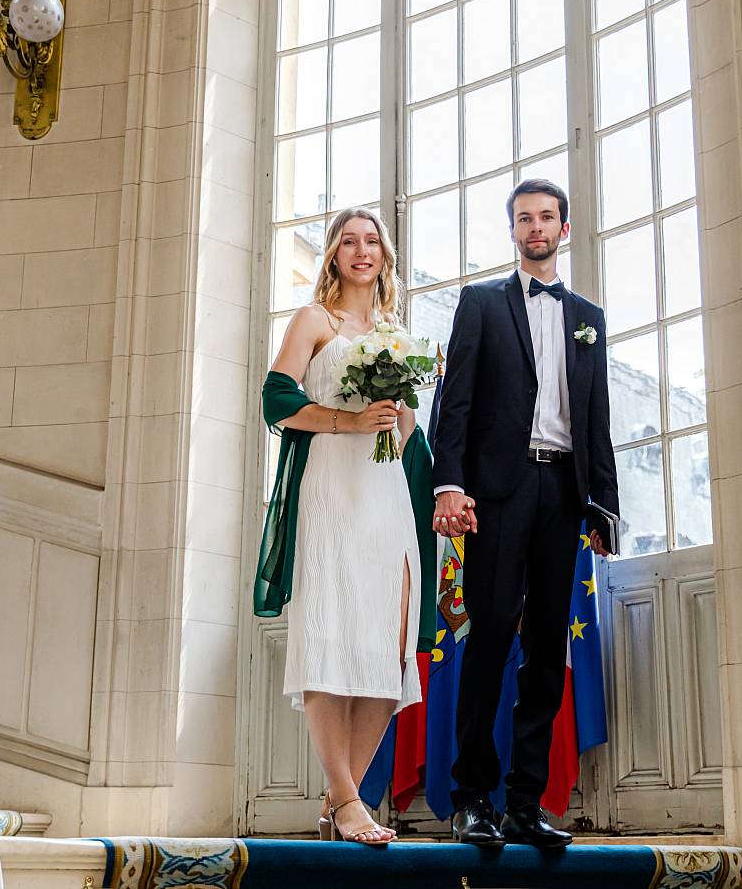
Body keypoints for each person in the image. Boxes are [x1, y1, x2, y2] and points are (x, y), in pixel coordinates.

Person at [431, 178, 620, 847]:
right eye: (523, 218)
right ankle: (471, 799)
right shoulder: (481, 304)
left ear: (564, 229)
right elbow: (452, 404)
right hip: (500, 492)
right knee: (487, 644)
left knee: (546, 650)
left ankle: (524, 802)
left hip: (564, 495)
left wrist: (604, 506)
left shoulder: (590, 317)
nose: (535, 227)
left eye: (546, 217)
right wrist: (447, 485)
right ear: (512, 230)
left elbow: (595, 416)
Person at [254, 207, 437, 845]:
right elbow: (276, 399)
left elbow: (411, 436)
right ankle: (351, 802)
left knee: (387, 645)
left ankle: (342, 804)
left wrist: (399, 409)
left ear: (385, 256)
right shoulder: (314, 322)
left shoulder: (395, 331)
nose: (362, 251)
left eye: (373, 242)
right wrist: (347, 421)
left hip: (386, 495)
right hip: (331, 487)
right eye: (349, 241)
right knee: (332, 634)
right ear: (333, 254)